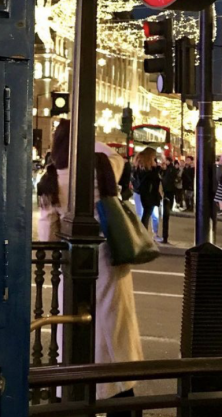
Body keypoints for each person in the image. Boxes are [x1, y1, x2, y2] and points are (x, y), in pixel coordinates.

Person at [95, 142, 144, 413]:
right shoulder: (106, 179)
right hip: (114, 274)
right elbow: (115, 157)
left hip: (79, 282)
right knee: (119, 366)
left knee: (84, 361)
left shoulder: (59, 179)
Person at [36, 119, 70, 242]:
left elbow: (47, 234)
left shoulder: (53, 178)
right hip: (110, 252)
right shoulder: (99, 168)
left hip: (71, 252)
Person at [132, 147, 161, 235]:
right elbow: (154, 180)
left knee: (141, 214)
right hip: (148, 194)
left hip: (138, 192)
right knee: (146, 214)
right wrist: (157, 168)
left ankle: (140, 233)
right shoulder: (149, 170)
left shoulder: (138, 167)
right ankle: (143, 234)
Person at [160, 156, 177, 244]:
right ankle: (164, 237)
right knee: (165, 215)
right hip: (166, 191)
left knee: (166, 214)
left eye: (166, 161)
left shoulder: (171, 169)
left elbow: (169, 180)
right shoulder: (166, 170)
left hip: (168, 192)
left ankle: (165, 237)